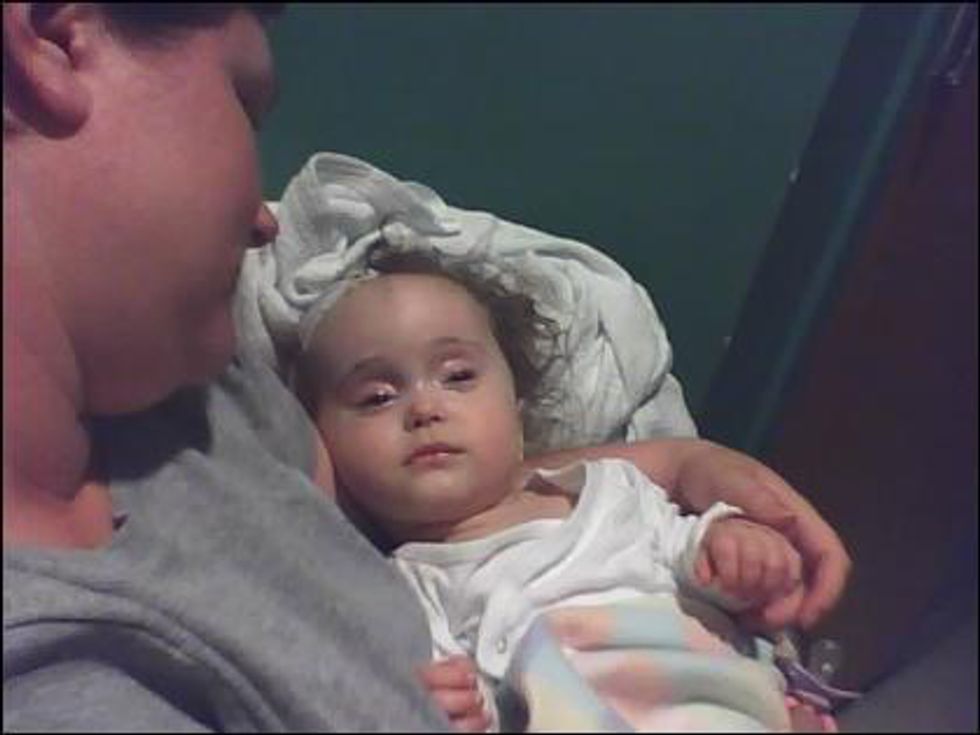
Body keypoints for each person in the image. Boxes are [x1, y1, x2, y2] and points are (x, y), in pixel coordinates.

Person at [3, 3, 850, 731]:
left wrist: (679, 464)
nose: (266, 219)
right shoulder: (50, 671)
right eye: (245, 101)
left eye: (458, 376)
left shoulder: (194, 395)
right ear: (56, 38)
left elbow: (452, 505)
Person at [295, 249, 842, 731]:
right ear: (322, 443)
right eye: (377, 397)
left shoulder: (612, 491)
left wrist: (737, 550)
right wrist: (460, 710)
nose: (425, 408)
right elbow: (468, 700)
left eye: (458, 376)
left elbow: (700, 565)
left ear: (516, 407)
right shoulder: (406, 591)